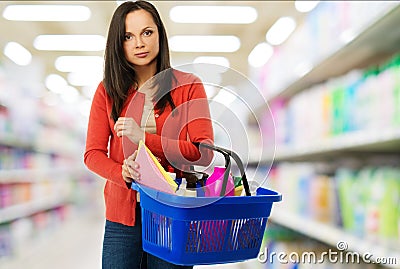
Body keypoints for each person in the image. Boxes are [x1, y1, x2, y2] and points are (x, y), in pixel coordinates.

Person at [83, 1, 214, 268]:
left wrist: (144, 138)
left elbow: (203, 153)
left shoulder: (188, 86)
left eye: (147, 33)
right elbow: (92, 154)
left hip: (173, 215)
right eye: (128, 37)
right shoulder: (107, 91)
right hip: (122, 218)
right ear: (117, 44)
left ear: (159, 35)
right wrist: (122, 172)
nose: (139, 43)